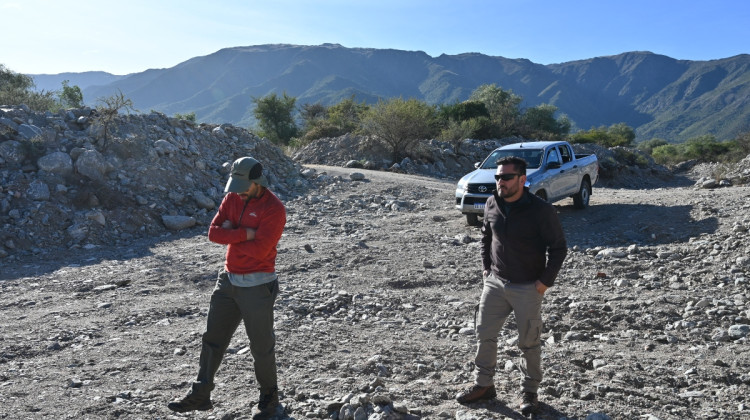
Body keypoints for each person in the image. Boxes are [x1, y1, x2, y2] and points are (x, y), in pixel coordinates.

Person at [168, 157, 287, 418]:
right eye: (236, 185)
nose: (238, 191)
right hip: (228, 280)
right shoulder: (232, 197)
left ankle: (269, 398)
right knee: (212, 340)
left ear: (257, 182)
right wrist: (246, 233)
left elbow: (260, 251)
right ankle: (201, 395)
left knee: (261, 346)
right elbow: (213, 233)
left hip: (258, 285)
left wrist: (232, 232)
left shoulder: (274, 208)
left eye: (244, 185)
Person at [455, 156, 567, 416]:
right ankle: (484, 385)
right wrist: (486, 269)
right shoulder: (492, 201)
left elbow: (559, 248)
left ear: (522, 179)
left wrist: (544, 282)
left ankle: (530, 391)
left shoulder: (541, 210)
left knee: (529, 342)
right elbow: (486, 236)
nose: (500, 182)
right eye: (498, 177)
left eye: (506, 177)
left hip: (528, 286)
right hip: (495, 283)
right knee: (484, 334)